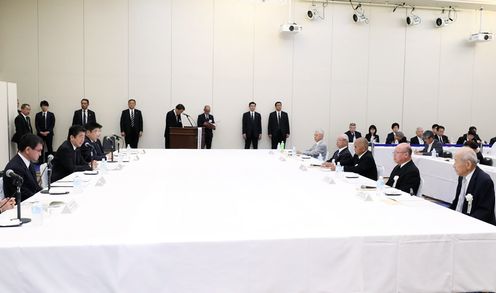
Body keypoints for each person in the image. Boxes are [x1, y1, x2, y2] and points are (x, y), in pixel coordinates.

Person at [450, 147, 496, 225]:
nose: (454, 166)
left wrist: (463, 223)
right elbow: (457, 201)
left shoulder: (484, 181)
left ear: (468, 164)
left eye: (456, 162)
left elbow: (484, 211)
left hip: (478, 226)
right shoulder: (462, 177)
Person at [2, 134, 44, 201]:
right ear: (27, 150)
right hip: (19, 206)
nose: (40, 154)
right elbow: (23, 194)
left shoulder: (29, 162)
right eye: (38, 151)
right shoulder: (15, 168)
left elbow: (35, 187)